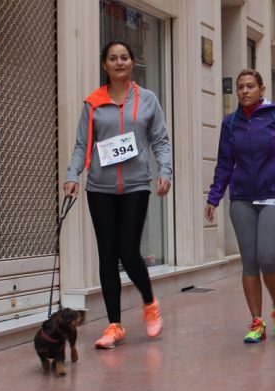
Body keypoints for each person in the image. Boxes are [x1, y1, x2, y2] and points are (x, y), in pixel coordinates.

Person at [64, 41, 172, 349]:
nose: (119, 62)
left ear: (132, 63)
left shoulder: (147, 100)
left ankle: (149, 303)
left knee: (128, 249)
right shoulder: (93, 103)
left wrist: (165, 171)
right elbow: (82, 145)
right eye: (113, 58)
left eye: (124, 57)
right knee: (107, 254)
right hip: (100, 188)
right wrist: (73, 176)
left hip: (137, 185)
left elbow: (160, 141)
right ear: (105, 65)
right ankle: (114, 326)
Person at [205, 69, 275, 343]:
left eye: (250, 86)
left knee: (267, 258)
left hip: (272, 197)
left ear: (261, 89)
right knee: (250, 263)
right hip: (241, 199)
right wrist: (214, 197)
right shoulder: (230, 123)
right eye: (240, 86)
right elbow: (224, 163)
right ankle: (257, 322)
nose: (244, 90)